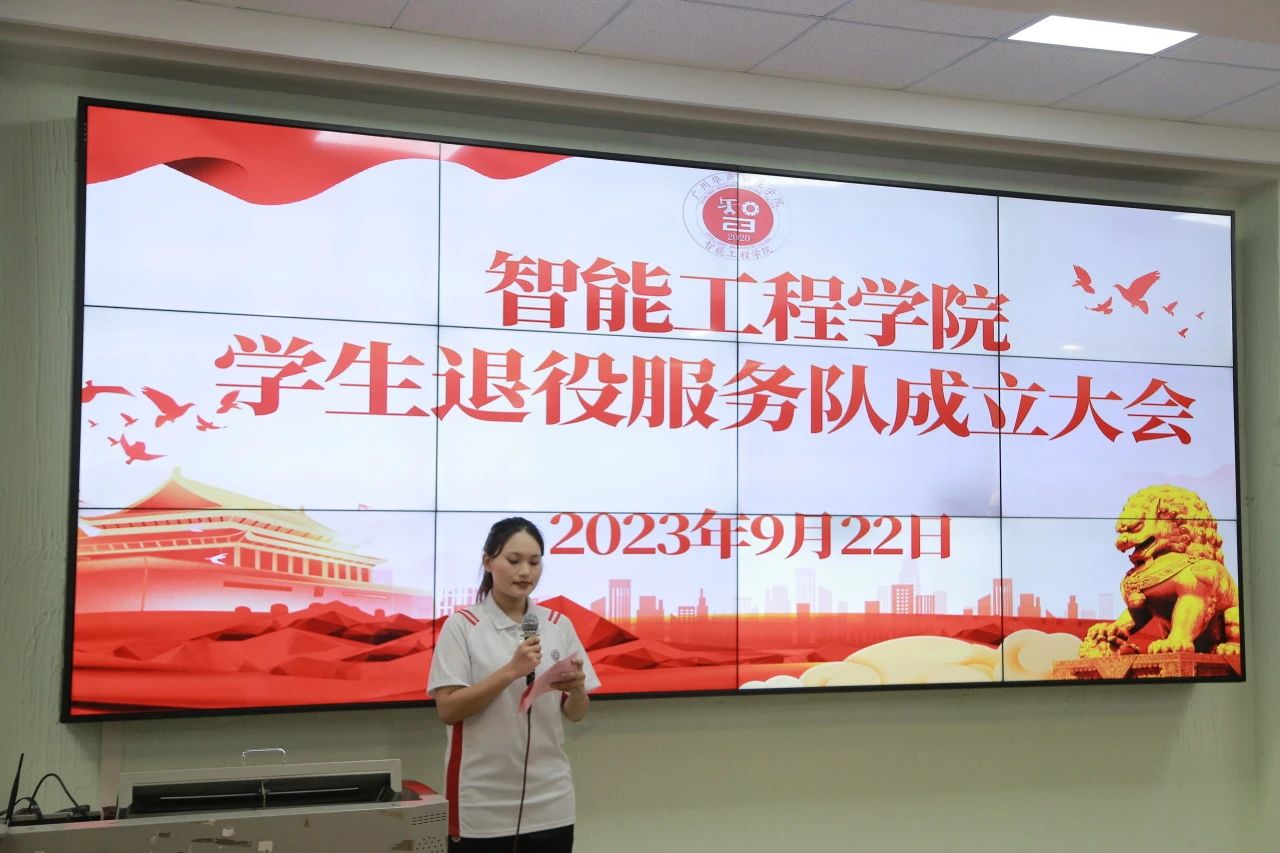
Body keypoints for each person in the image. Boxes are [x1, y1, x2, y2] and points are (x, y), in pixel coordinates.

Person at [428, 517, 600, 852]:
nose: (525, 572)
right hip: (481, 804)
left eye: (534, 563)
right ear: (488, 561)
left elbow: (576, 713)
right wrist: (511, 671)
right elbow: (448, 709)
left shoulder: (557, 624)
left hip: (551, 799)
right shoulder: (462, 626)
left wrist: (578, 689)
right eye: (514, 560)